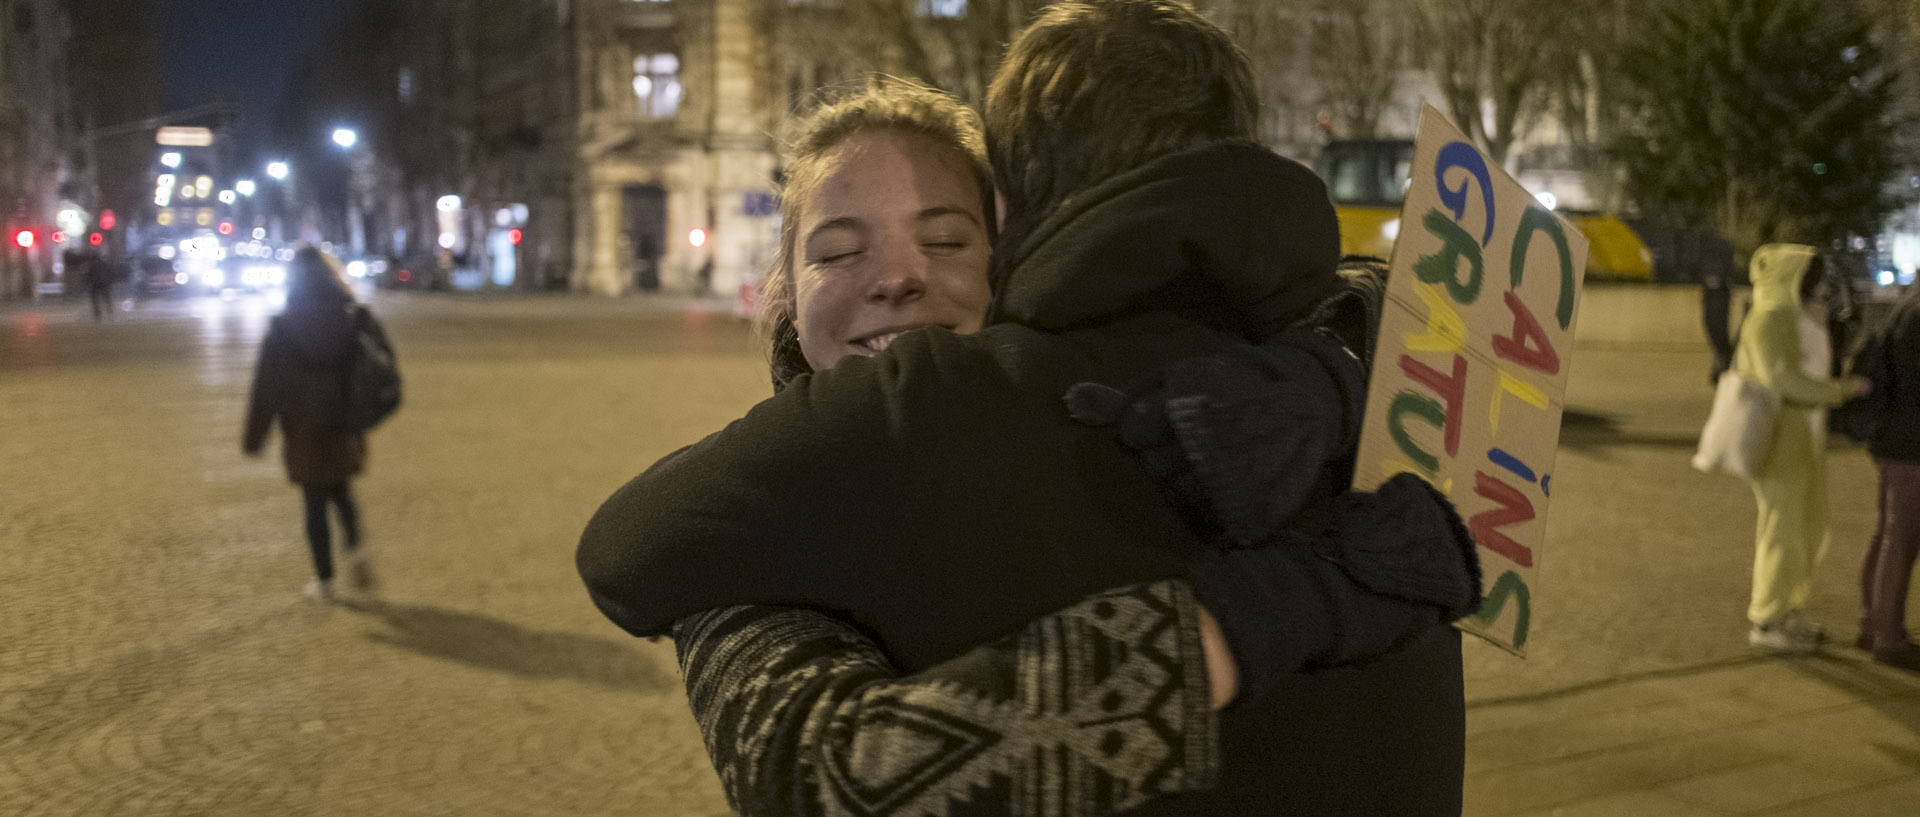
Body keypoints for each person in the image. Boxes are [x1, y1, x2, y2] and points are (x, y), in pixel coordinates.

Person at [580, 3, 1471, 813]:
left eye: (945, 236)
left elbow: (818, 767)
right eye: (837, 251)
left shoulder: (915, 419)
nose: (899, 276)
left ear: (1006, 221)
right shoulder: (1395, 429)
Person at [1735, 245, 1870, 652]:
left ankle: (1788, 608)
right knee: (1783, 531)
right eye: (1817, 278)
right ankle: (1765, 619)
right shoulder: (1771, 318)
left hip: (1806, 439)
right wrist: (1842, 390)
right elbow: (1784, 379)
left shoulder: (1796, 315)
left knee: (1809, 529)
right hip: (1781, 440)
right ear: (1799, 279)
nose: (1826, 286)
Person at [243, 247, 387, 601]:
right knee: (342, 490)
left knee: (313, 502)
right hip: (343, 418)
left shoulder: (282, 328)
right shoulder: (350, 319)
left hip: (303, 424)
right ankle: (356, 550)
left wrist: (255, 437)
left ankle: (324, 581)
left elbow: (266, 388)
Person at [1857, 288, 1920, 670]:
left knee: (1888, 533)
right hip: (1910, 444)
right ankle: (1889, 638)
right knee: (1903, 538)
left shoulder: (1908, 304)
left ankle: (1872, 623)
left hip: (1892, 437)